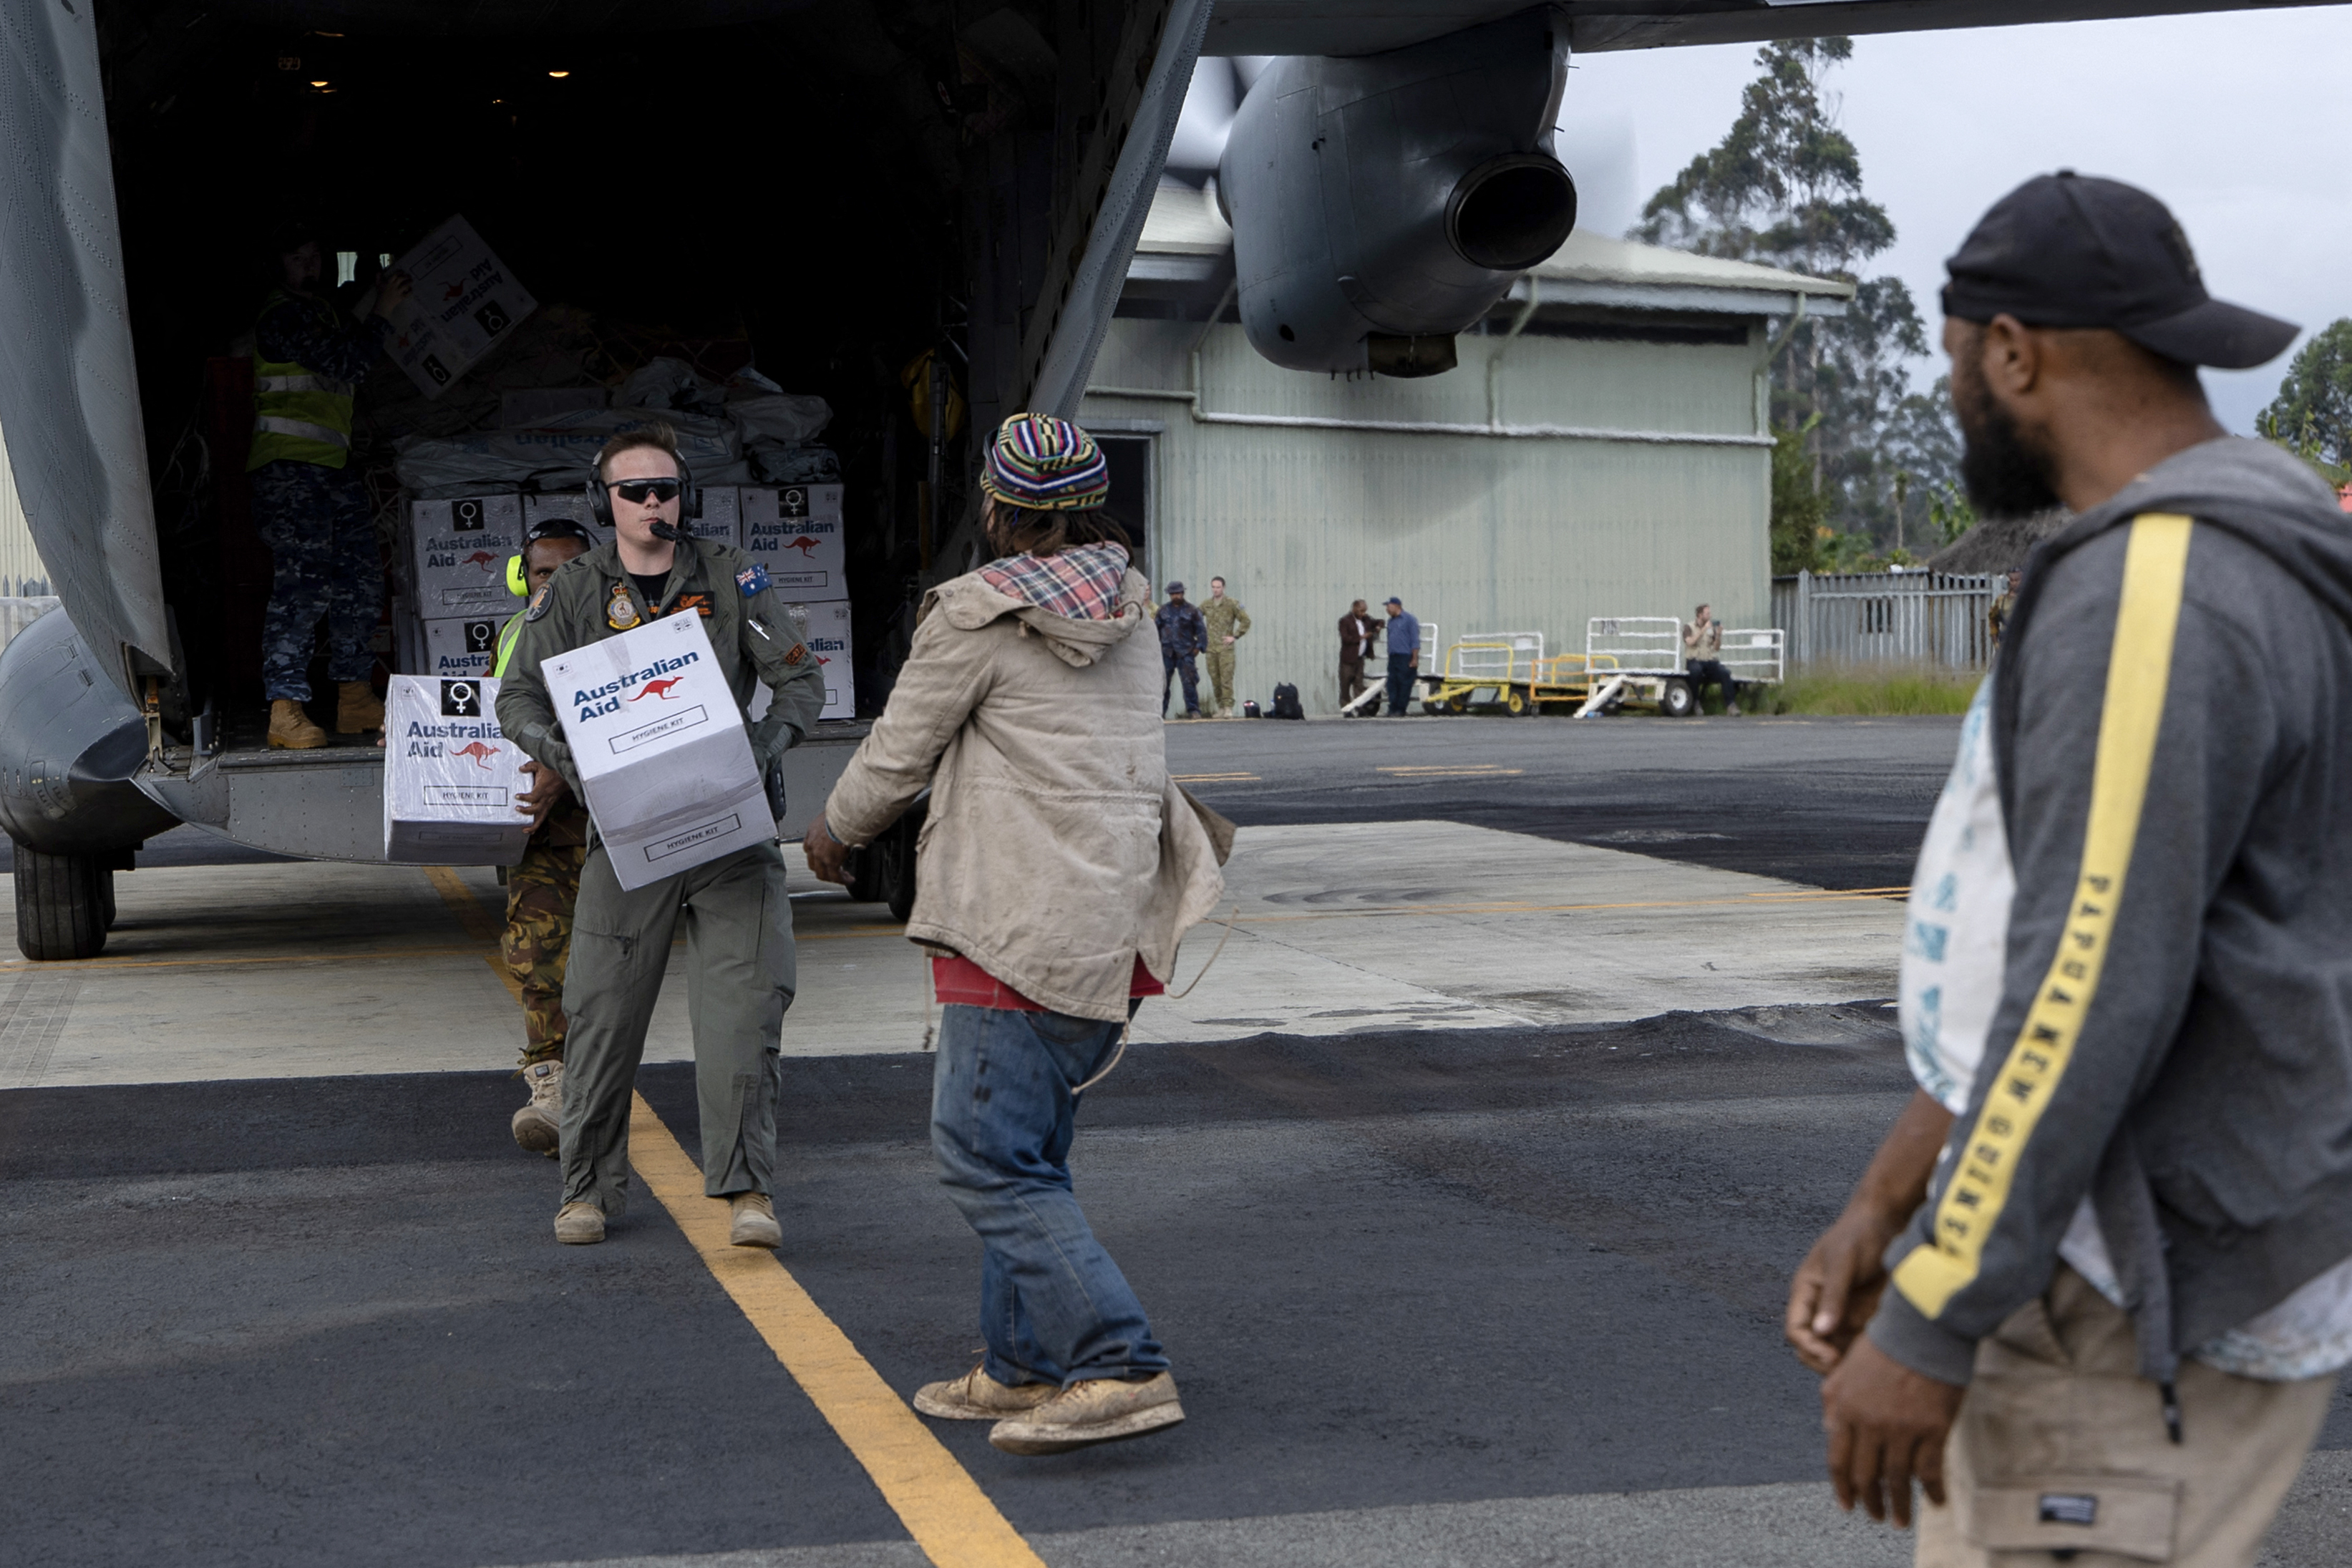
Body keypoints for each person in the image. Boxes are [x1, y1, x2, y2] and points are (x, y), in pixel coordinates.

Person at [1784, 172, 2352, 1561]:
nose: (1952, 398)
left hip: (2116, 1290)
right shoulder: (2262, 537)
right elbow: (2036, 939)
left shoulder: (2161, 585)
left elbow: (2090, 976)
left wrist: (1933, 1309)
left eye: (1950, 363)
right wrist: (1886, 1196)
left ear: (2011, 352)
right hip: (2160, 1244)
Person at [801, 412, 1231, 1456]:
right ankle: (1019, 1361)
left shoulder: (977, 615)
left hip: (1012, 921)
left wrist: (831, 831)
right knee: (1031, 1152)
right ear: (1087, 507)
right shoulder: (1132, 607)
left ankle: (1117, 1361)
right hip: (1109, 924)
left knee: (985, 1155)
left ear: (996, 510)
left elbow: (897, 756)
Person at [496, 422, 825, 1248]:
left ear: (685, 497)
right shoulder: (572, 589)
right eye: (633, 491)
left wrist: (760, 748)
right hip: (628, 834)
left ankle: (748, 1189)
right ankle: (587, 1192)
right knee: (599, 1014)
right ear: (603, 502)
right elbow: (516, 699)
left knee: (745, 1014)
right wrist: (566, 758)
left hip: (729, 832)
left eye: (665, 490)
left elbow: (800, 681)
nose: (652, 503)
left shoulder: (732, 577)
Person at [247, 220, 412, 749]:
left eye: (315, 256)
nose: (311, 267)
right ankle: (285, 707)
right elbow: (350, 361)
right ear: (277, 266)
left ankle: (354, 696)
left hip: (332, 469)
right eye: (298, 259)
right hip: (289, 471)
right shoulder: (282, 317)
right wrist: (384, 311)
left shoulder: (322, 312)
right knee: (302, 589)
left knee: (361, 579)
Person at [495, 520, 593, 1156]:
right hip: (539, 834)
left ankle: (600, 1086)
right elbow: (483, 710)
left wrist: (568, 765)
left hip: (610, 827)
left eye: (570, 571)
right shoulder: (514, 636)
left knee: (613, 969)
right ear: (520, 576)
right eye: (541, 572)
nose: (552, 585)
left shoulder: (625, 630)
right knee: (537, 960)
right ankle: (550, 1088)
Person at [1200, 576, 1252, 718]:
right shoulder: (1206, 604)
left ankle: (1228, 707)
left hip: (1225, 648)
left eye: (1218, 587)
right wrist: (1200, 637)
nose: (1215, 590)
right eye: (1213, 587)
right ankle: (1221, 707)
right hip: (1211, 648)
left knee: (1226, 679)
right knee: (1215, 678)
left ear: (1223, 588)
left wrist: (1235, 636)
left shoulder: (1231, 603)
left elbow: (1246, 621)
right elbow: (1195, 617)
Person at [1156, 580, 1207, 719]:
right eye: (1173, 594)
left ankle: (1193, 710)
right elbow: (1155, 631)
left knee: (1189, 682)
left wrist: (1199, 648)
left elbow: (1201, 631)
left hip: (1186, 653)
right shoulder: (1163, 610)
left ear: (1182, 593)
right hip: (1166, 652)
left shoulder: (1192, 610)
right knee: (1163, 684)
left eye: (1178, 593)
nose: (1175, 596)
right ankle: (1160, 712)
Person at [1682, 603, 1740, 715]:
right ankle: (1695, 702)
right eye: (1707, 613)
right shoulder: (1689, 627)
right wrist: (1703, 630)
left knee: (1725, 673)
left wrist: (1718, 635)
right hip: (1694, 660)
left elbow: (1716, 648)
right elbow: (1690, 642)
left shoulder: (1711, 629)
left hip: (1709, 661)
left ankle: (1731, 705)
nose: (1710, 615)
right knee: (1695, 672)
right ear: (1700, 615)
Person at [1381, 595, 1420, 716]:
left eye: (1389, 606)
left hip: (1405, 656)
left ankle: (1401, 709)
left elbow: (1415, 640)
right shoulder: (1391, 622)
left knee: (1404, 683)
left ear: (1397, 606)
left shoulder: (1409, 619)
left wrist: (1414, 658)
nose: (1387, 609)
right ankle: (1392, 707)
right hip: (1393, 656)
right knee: (1392, 683)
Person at [1338, 599, 1381, 705]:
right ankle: (1346, 707)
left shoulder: (1366, 620)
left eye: (1365, 611)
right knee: (1345, 684)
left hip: (1360, 658)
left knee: (1359, 683)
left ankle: (1359, 706)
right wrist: (1362, 637)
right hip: (1348, 659)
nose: (1363, 614)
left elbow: (1380, 621)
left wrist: (1378, 627)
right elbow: (1346, 639)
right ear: (1354, 609)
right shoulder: (1345, 621)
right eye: (1361, 611)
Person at [1985, 567, 2021, 650]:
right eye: (2012, 580)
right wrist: (1996, 642)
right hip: (2005, 641)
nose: (2014, 583)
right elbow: (1992, 620)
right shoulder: (2000, 600)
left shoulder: (2029, 599)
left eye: (2017, 580)